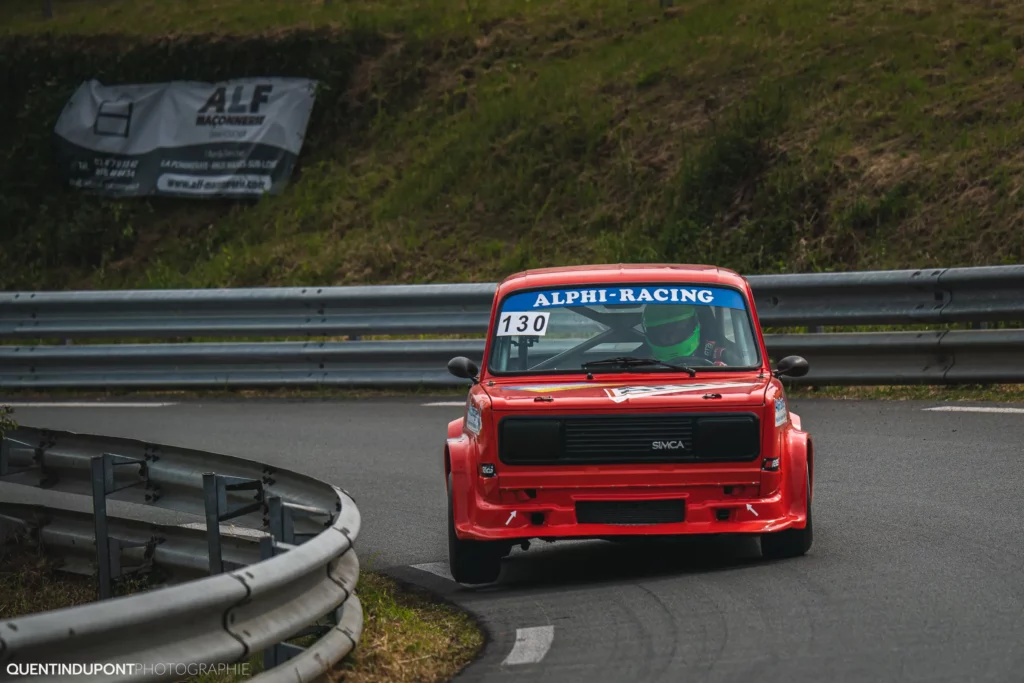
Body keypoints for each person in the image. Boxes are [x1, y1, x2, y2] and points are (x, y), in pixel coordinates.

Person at [638, 304, 733, 366]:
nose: (671, 337)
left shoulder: (720, 354)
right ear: (651, 333)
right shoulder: (635, 361)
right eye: (662, 331)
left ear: (696, 324)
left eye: (677, 329)